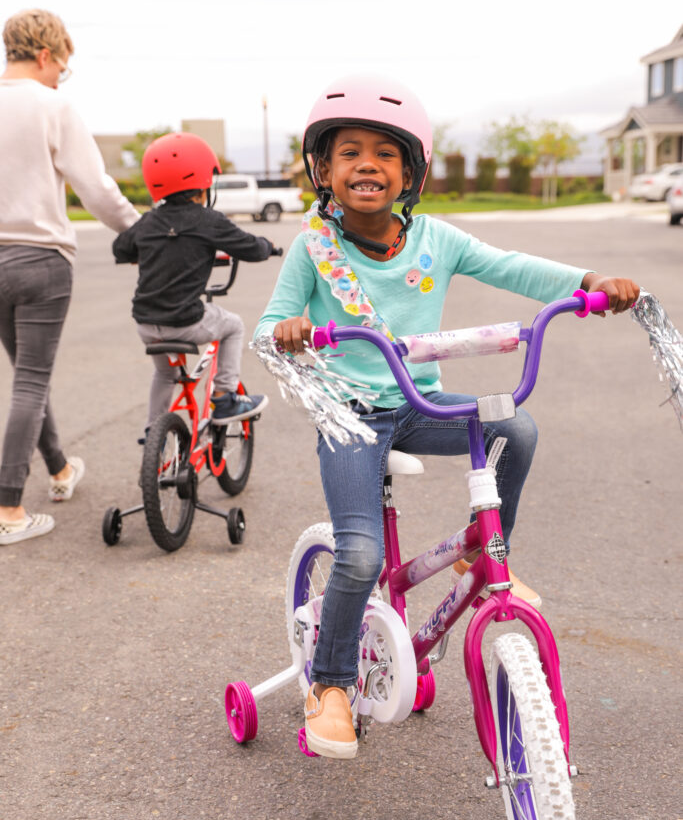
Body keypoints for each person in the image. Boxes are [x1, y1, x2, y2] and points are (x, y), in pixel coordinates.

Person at [255, 73, 640, 759]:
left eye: (384, 152)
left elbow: (514, 267)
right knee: (361, 553)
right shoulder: (313, 248)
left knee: (514, 427)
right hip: (350, 415)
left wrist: (585, 284)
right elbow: (271, 322)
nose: (365, 164)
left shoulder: (436, 239)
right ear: (323, 170)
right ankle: (332, 686)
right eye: (347, 152)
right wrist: (286, 330)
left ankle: (482, 555)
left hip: (417, 403)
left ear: (410, 173)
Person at [0, 8, 140, 546]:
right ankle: (10, 508)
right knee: (31, 379)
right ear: (44, 54)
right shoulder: (52, 105)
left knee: (26, 376)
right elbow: (96, 188)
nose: (62, 76)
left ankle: (59, 470)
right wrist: (139, 233)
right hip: (40, 260)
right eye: (63, 65)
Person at [113, 132, 281, 433]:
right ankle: (225, 396)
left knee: (165, 375)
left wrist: (146, 251)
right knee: (234, 325)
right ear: (204, 181)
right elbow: (251, 248)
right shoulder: (208, 220)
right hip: (185, 321)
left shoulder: (149, 221)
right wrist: (269, 246)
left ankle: (155, 434)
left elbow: (120, 248)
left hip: (146, 324)